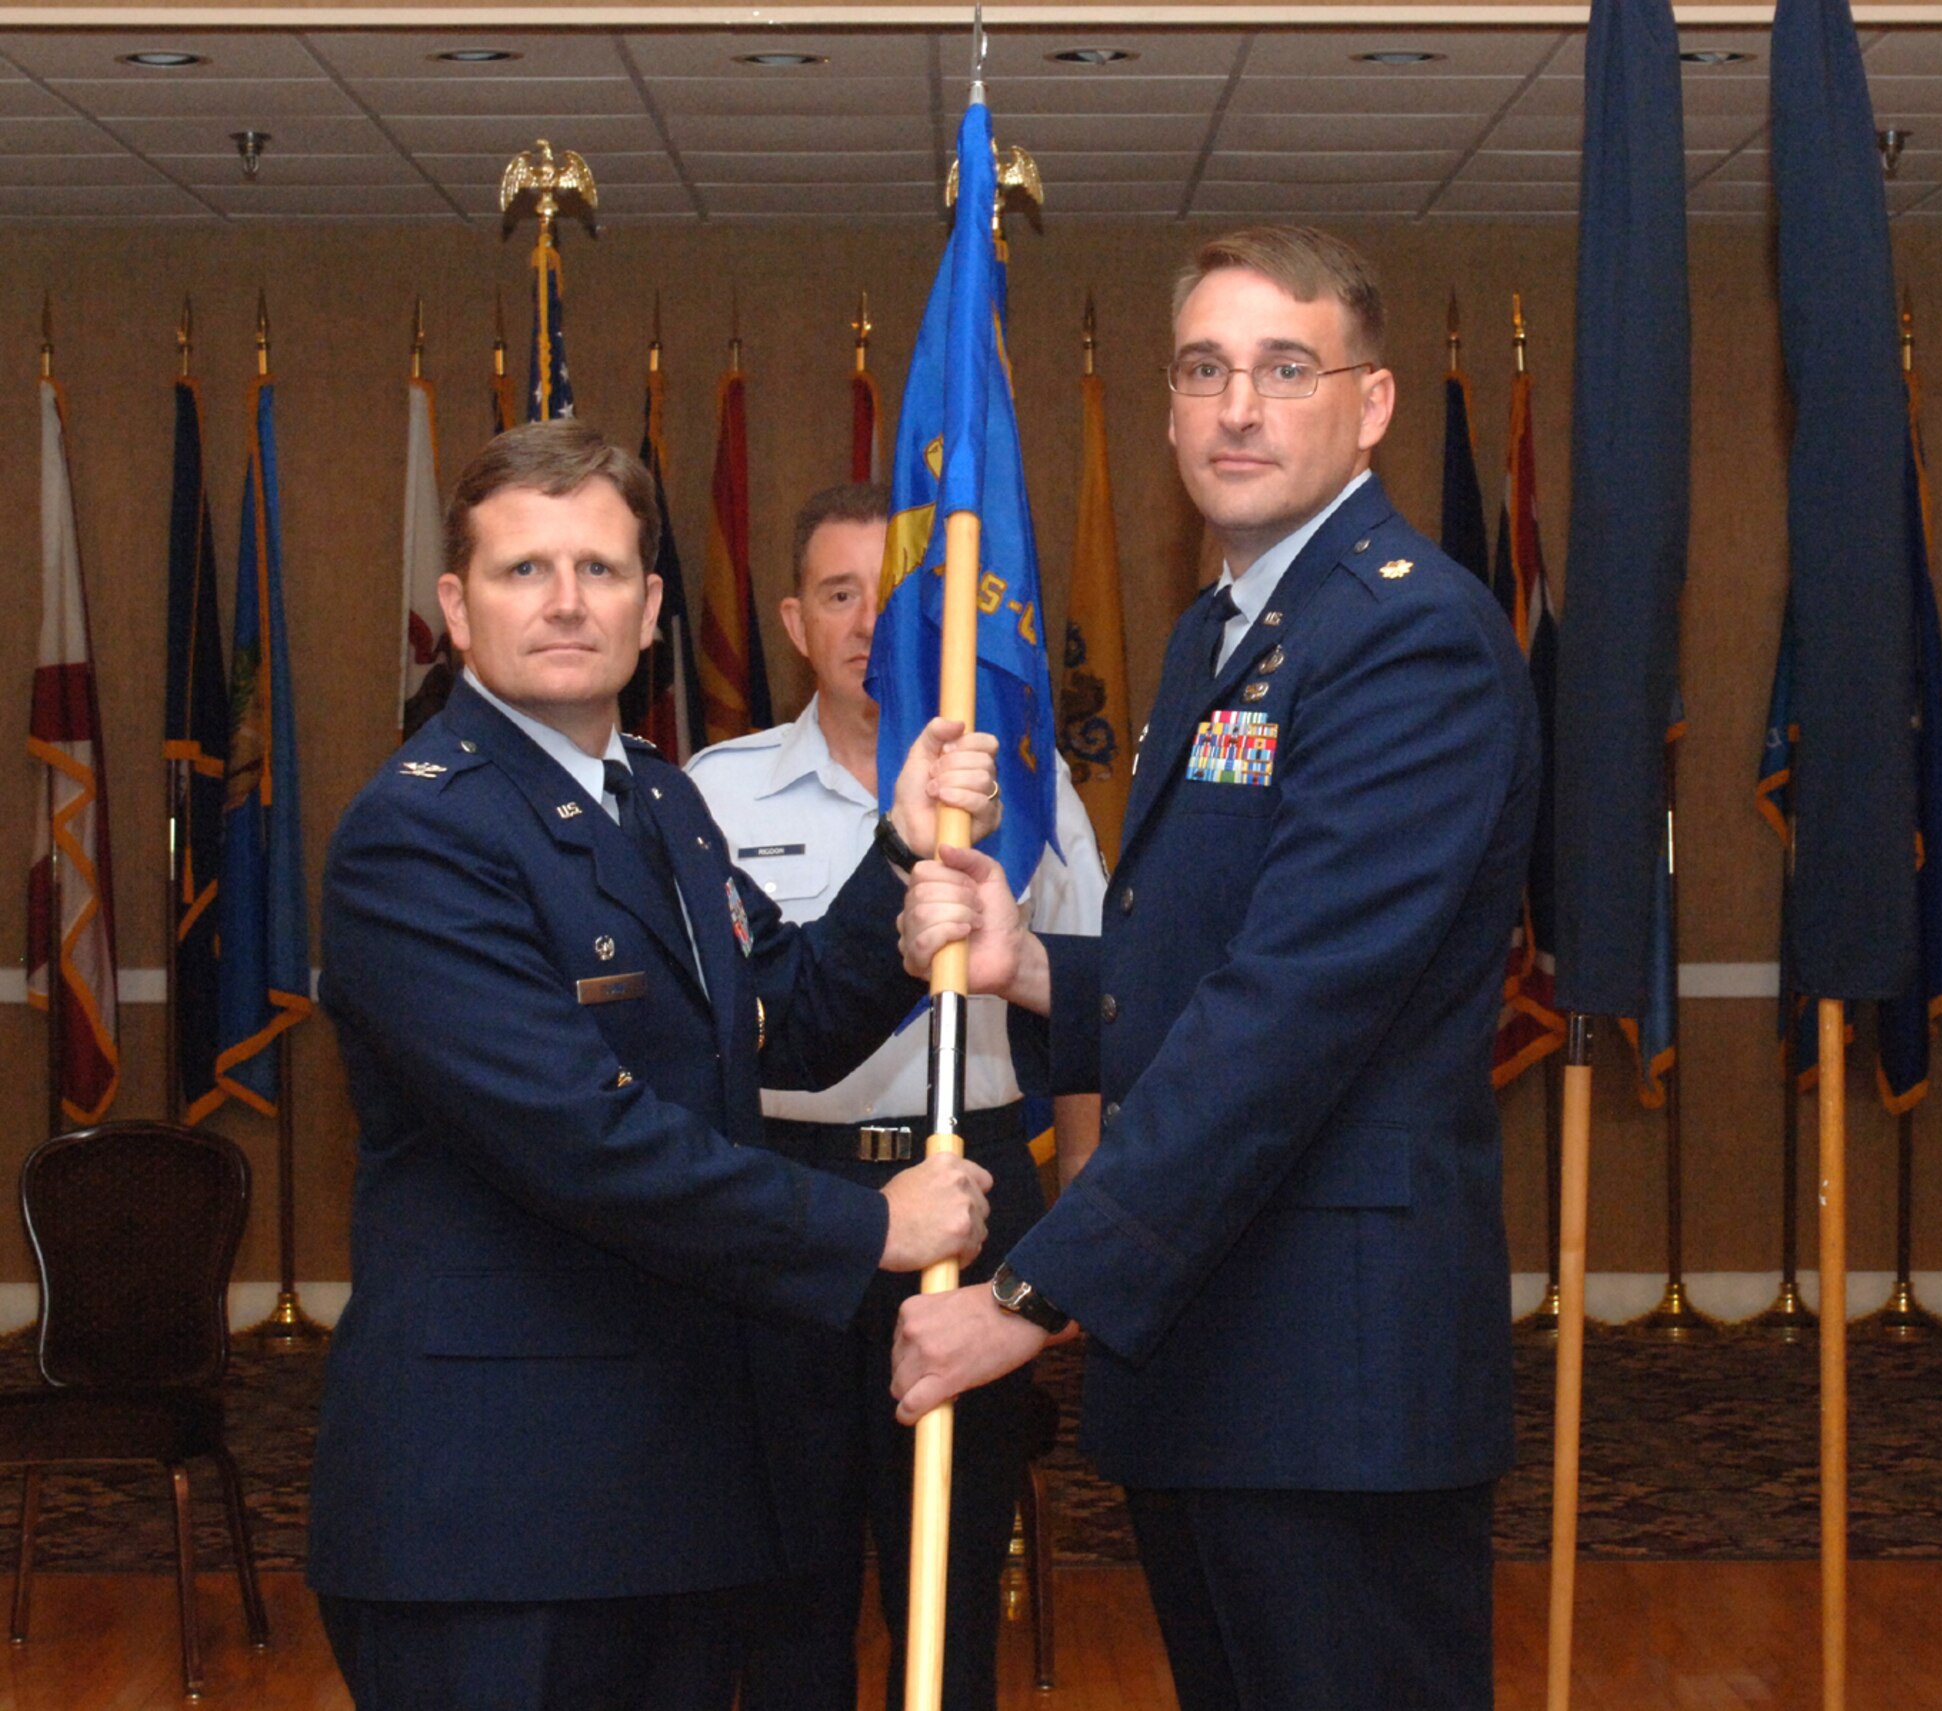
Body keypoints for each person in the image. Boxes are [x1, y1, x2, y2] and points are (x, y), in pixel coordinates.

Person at [890, 227, 1541, 1711]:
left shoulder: (1404, 637)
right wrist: (1034, 966)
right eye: (1204, 369)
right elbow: (1222, 951)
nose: (1238, 405)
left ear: (1369, 404)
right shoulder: (1223, 631)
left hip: (1333, 1371)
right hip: (1217, 1359)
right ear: (1170, 408)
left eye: (1284, 367)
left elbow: (1294, 1012)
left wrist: (1030, 1292)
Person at [308, 421, 1002, 1711]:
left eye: (602, 570)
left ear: (649, 610)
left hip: (668, 1488)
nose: (566, 600)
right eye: (524, 571)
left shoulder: (659, 800)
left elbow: (778, 1015)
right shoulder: (418, 833)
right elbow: (582, 1137)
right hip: (497, 1516)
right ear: (456, 609)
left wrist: (903, 860)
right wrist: (866, 1224)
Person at [685, 482, 1105, 1711]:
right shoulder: (715, 792)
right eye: (838, 594)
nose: (871, 620)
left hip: (976, 1196)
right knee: (784, 1579)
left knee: (951, 1572)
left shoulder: (1027, 794)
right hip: (781, 1199)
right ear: (791, 620)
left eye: (900, 594)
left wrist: (1079, 1199)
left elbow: (1082, 1007)